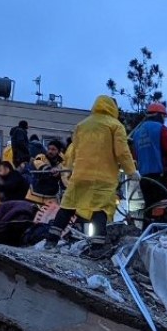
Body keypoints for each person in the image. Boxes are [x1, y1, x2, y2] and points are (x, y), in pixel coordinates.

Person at [45, 96, 139, 247]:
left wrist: (66, 170)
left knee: (68, 206)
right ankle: (97, 247)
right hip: (103, 178)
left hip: (80, 175)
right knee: (100, 209)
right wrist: (131, 171)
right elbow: (122, 152)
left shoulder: (82, 125)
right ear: (113, 108)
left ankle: (51, 240)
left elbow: (72, 151)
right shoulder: (115, 126)